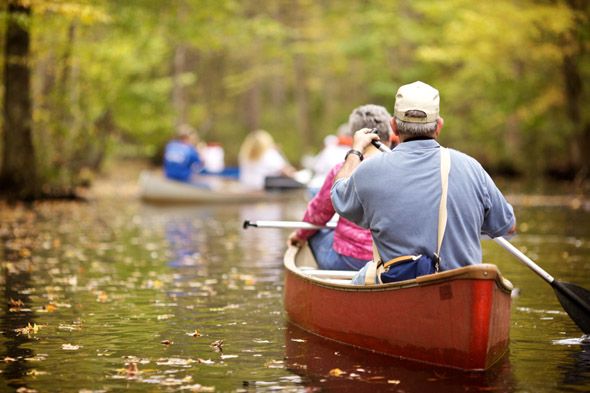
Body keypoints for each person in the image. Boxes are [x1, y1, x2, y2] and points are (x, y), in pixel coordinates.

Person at [331, 81, 516, 284]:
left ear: (393, 126)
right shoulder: (471, 167)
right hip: (464, 289)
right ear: (438, 126)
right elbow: (508, 226)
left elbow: (339, 197)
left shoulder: (369, 170)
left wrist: (355, 151)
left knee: (362, 277)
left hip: (398, 288)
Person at [288, 104, 399, 270]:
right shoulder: (403, 171)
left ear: (355, 138)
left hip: (349, 260)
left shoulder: (341, 171)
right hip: (391, 260)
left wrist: (300, 235)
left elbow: (318, 214)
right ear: (390, 137)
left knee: (317, 232)